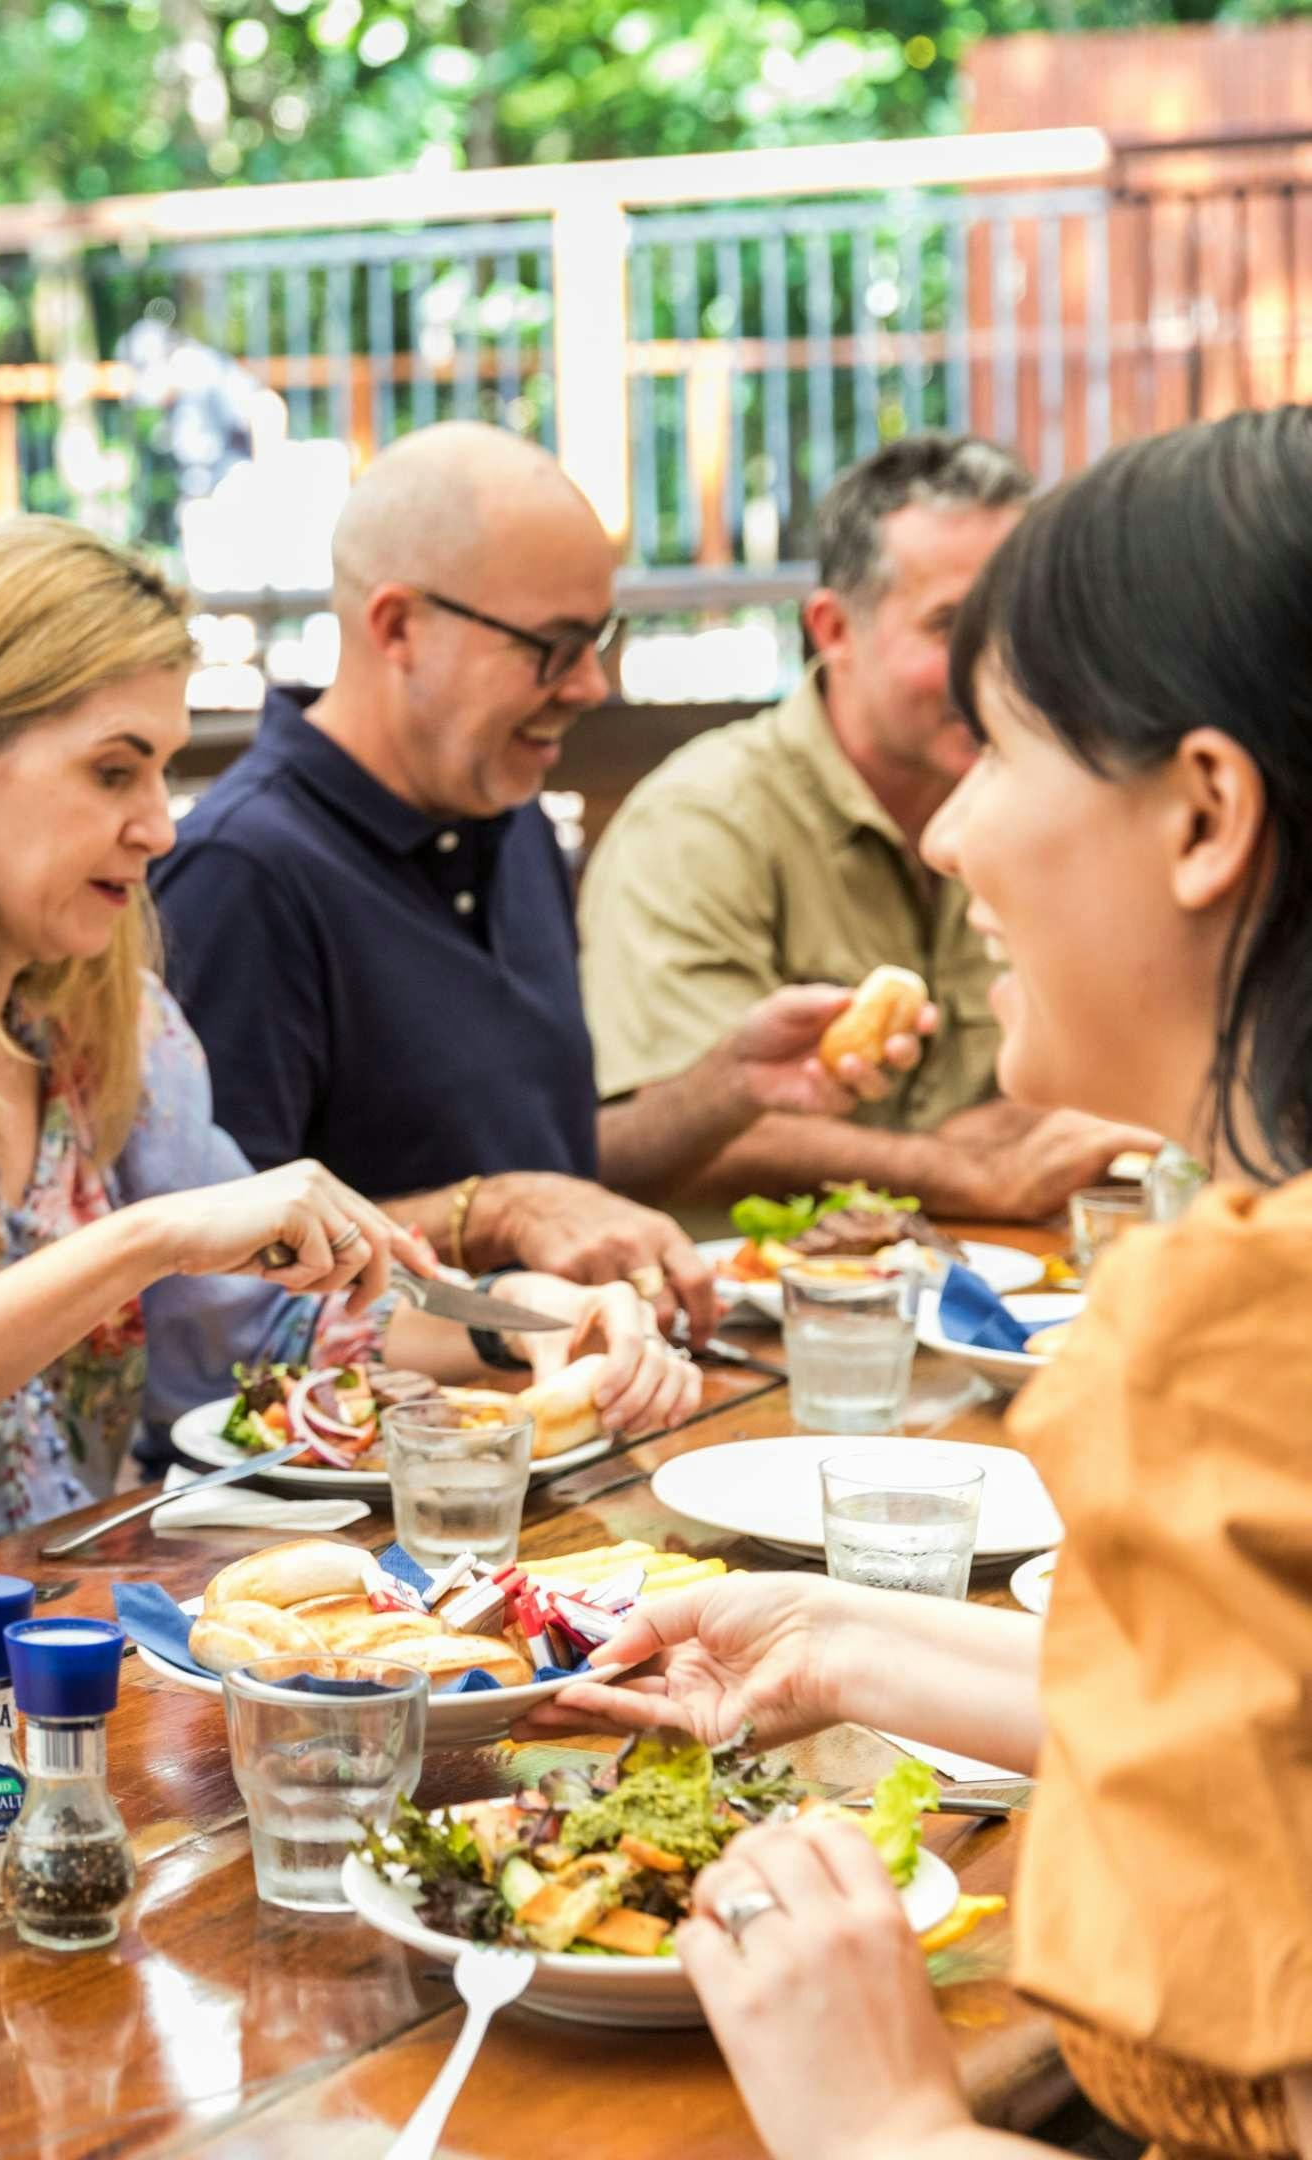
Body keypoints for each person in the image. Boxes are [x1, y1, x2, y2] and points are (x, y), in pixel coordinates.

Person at [532, 407, 1312, 2159]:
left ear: (1202, 815)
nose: (950, 834)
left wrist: (881, 2125)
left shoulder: (1241, 1337)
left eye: (1006, 748)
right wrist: (824, 1640)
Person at [0, 516, 701, 1599]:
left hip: (55, 1657)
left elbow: (261, 1335)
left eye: (163, 772)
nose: (159, 827)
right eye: (110, 772)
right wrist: (140, 1244)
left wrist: (524, 1319)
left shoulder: (104, 1025)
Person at [153, 423, 930, 1350]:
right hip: (377, 1455)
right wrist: (496, 1211)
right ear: (397, 626)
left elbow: (560, 1176)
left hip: (584, 1397)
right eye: (555, 647)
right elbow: (215, 1272)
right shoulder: (241, 871)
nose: (592, 685)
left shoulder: (507, 814)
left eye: (598, 638)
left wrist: (731, 1088)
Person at [579, 434, 1151, 1221]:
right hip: (759, 1316)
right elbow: (688, 1131)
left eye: (1018, 621)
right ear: (832, 630)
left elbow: (1109, 1068)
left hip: (994, 1290)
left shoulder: (1046, 802)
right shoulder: (699, 823)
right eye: (949, 625)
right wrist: (964, 1172)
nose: (996, 666)